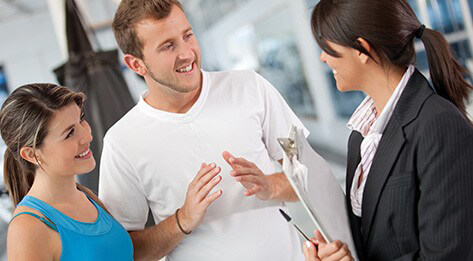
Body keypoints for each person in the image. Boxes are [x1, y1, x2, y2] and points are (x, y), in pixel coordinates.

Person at [98, 0, 309, 260]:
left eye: (187, 35)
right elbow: (125, 252)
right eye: (168, 46)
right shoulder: (121, 143)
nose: (187, 53)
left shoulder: (249, 87)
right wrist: (182, 220)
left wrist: (271, 185)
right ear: (136, 64)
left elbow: (311, 172)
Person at [303, 0, 473, 260]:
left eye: (327, 47)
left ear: (362, 49)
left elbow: (447, 255)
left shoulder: (438, 125)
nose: (323, 58)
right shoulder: (360, 134)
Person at [1, 83, 134, 260]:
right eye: (69, 133)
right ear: (31, 154)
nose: (87, 136)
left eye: (81, 119)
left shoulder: (86, 198)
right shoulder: (28, 228)